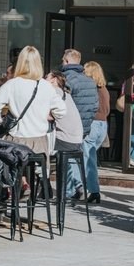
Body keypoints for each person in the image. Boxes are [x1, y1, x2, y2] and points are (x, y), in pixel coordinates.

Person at [0, 46, 66, 162]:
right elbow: (61, 111)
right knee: (37, 172)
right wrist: (47, 116)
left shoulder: (11, 84)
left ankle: (21, 180)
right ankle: (33, 180)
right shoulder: (46, 86)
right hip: (40, 143)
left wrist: (0, 120)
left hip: (16, 142)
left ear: (20, 63)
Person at [46, 70, 84, 202]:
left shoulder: (55, 92)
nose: (45, 79)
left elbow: (48, 116)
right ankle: (47, 187)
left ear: (54, 80)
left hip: (66, 139)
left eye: (47, 77)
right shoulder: (65, 94)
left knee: (40, 151)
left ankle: (57, 192)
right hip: (76, 139)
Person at [81, 61, 109, 204]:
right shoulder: (104, 89)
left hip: (92, 124)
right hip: (103, 125)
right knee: (88, 158)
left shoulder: (92, 89)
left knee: (88, 160)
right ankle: (81, 187)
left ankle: (93, 190)